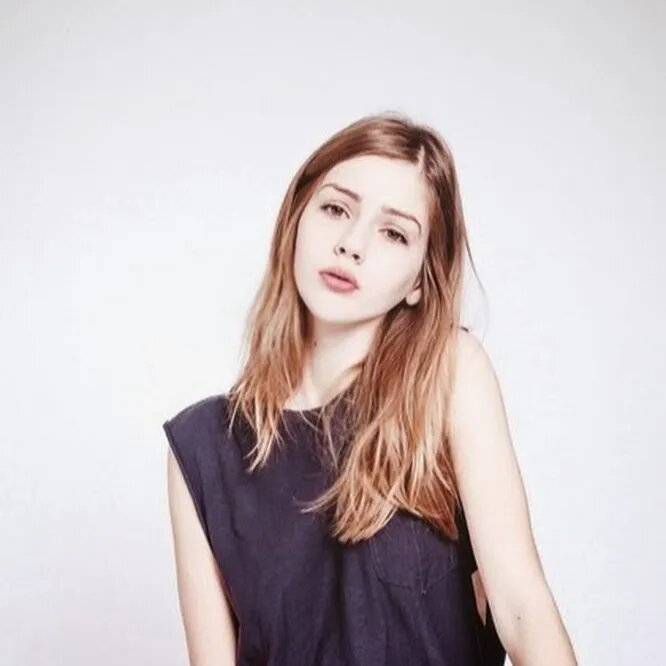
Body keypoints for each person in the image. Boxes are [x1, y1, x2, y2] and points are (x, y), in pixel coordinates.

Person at [163, 112, 578, 665]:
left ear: (419, 280)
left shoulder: (449, 373)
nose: (352, 245)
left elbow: (523, 609)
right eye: (336, 209)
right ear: (296, 218)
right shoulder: (202, 446)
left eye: (393, 233)